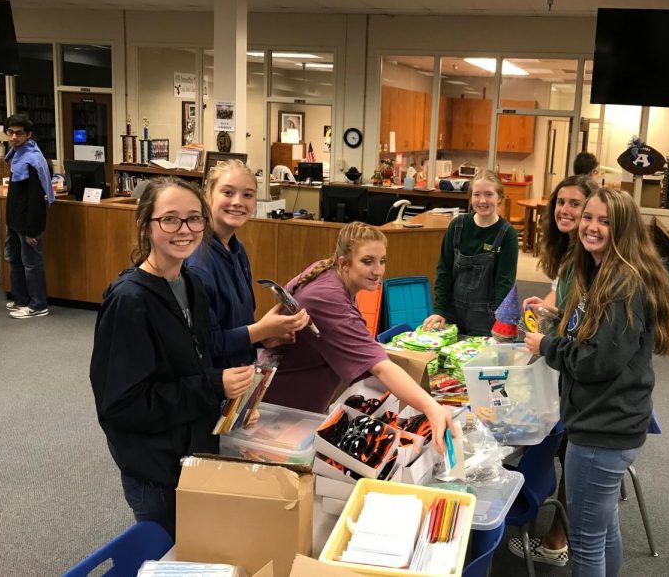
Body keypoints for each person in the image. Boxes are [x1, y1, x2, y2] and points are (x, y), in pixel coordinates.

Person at [89, 177, 256, 539]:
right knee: (170, 551)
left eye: (194, 218)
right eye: (170, 219)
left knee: (203, 545)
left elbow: (196, 361)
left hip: (194, 454)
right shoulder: (129, 302)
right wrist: (213, 385)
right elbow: (123, 406)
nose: (185, 230)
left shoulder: (191, 283)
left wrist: (232, 401)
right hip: (156, 469)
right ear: (145, 226)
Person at [523, 188, 669, 577]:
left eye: (604, 221)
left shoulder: (622, 284)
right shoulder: (600, 272)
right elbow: (589, 336)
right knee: (604, 530)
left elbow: (597, 361)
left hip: (601, 430)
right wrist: (554, 321)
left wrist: (547, 346)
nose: (591, 226)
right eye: (588, 217)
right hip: (606, 422)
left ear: (621, 228)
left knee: (587, 543)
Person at [262, 221, 455, 452]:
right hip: (280, 414)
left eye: (382, 261)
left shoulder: (330, 272)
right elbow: (380, 366)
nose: (378, 271)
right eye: (367, 261)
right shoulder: (328, 297)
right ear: (344, 262)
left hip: (296, 409)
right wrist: (432, 408)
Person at [507, 174, 598, 568]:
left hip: (582, 376)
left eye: (575, 204)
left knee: (562, 445)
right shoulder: (572, 254)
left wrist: (547, 335)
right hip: (569, 362)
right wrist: (548, 309)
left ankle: (557, 539)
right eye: (560, 202)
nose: (565, 210)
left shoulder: (592, 259)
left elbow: (586, 324)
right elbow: (566, 303)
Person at [186, 159, 309, 369]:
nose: (238, 202)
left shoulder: (237, 249)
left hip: (241, 375)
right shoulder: (197, 262)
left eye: (248, 195)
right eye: (227, 192)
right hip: (213, 386)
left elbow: (236, 325)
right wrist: (261, 330)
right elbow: (205, 345)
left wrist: (263, 337)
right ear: (207, 195)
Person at [421, 170, 518, 336]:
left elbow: (505, 282)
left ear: (500, 197)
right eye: (477, 194)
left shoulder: (507, 234)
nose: (482, 200)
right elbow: (444, 271)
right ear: (471, 197)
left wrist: (498, 321)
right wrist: (439, 310)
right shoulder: (457, 226)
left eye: (489, 194)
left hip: (486, 319)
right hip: (452, 315)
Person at [4, 113, 54, 318]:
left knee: (32, 264)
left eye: (19, 133)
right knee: (14, 260)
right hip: (14, 220)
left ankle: (38, 305)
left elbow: (36, 197)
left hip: (27, 223)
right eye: (11, 132)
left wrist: (33, 229)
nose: (14, 137)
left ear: (29, 135)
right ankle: (21, 299)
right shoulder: (16, 154)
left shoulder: (32, 160)